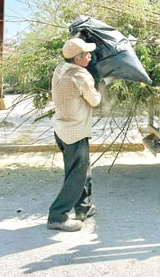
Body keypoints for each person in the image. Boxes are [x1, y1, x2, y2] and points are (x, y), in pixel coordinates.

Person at [47, 38, 102, 232]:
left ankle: (83, 208)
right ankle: (57, 216)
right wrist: (101, 86)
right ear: (78, 58)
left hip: (61, 129)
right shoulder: (81, 76)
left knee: (83, 169)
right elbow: (94, 100)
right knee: (76, 176)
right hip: (75, 132)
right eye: (86, 54)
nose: (90, 56)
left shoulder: (60, 69)